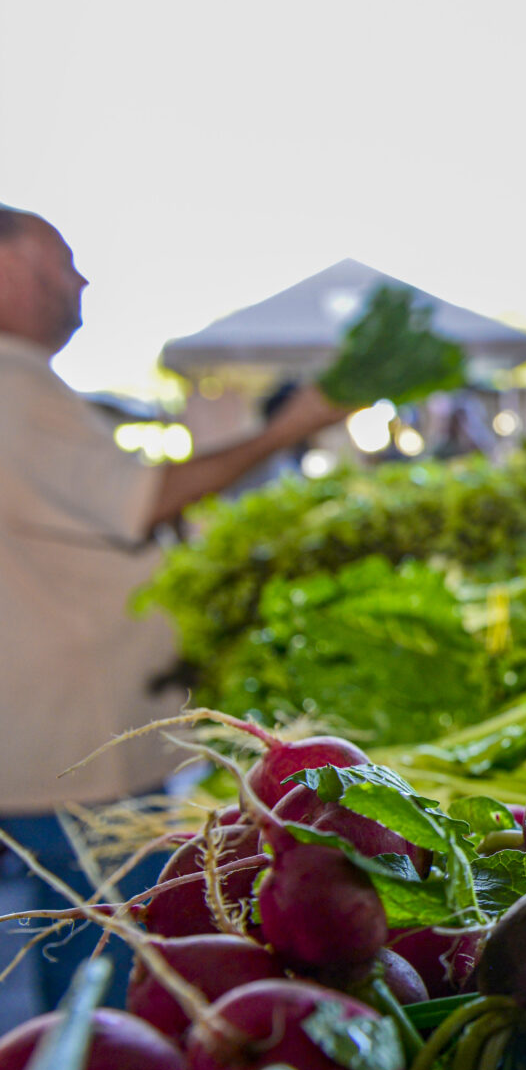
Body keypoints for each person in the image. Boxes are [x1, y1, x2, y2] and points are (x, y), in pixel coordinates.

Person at [0, 205, 349, 1011]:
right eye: (61, 261)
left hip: (68, 741)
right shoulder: (14, 387)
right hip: (74, 747)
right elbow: (145, 499)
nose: (81, 280)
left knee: (92, 941)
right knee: (101, 965)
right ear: (7, 270)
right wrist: (290, 426)